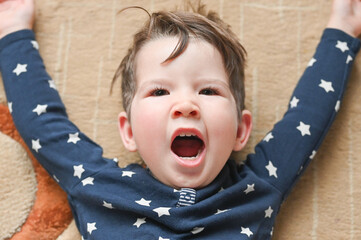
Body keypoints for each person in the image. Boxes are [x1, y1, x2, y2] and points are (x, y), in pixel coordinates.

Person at [0, 0, 360, 239]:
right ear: (128, 132)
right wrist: (13, 31)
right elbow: (43, 123)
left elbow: (307, 117)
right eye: (159, 92)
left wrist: (343, 29)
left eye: (208, 91)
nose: (186, 105)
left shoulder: (256, 187)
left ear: (240, 130)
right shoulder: (99, 185)